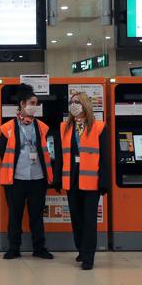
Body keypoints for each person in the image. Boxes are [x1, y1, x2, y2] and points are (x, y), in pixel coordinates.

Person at [0, 84, 54, 260]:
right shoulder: (7, 128)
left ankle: (39, 248)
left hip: (38, 177)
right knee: (15, 215)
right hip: (16, 179)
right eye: (32, 102)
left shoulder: (42, 127)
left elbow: (49, 151)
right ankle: (14, 247)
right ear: (22, 104)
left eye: (36, 103)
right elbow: (2, 151)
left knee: (37, 215)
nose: (34, 106)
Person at [56, 91, 110, 270]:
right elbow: (60, 156)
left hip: (91, 182)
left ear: (85, 105)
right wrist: (57, 179)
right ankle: (81, 249)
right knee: (77, 219)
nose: (73, 105)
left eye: (77, 102)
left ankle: (88, 257)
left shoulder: (99, 127)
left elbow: (105, 157)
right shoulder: (64, 127)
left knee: (89, 220)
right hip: (71, 181)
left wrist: (104, 181)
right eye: (71, 102)